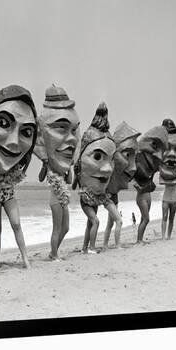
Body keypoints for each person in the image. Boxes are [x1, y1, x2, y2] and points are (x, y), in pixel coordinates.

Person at [0, 85, 38, 269]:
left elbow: (25, 163)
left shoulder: (16, 160)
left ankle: (26, 259)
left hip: (9, 194)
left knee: (17, 225)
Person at [34, 86, 80, 261]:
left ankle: (54, 251)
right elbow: (40, 178)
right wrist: (45, 163)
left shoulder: (64, 163)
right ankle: (54, 254)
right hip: (54, 199)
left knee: (66, 227)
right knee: (56, 228)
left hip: (64, 196)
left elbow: (68, 180)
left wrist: (70, 167)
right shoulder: (50, 161)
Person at [73, 103, 116, 253]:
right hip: (85, 196)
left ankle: (85, 247)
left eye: (112, 159)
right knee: (95, 221)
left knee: (90, 223)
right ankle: (91, 248)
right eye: (97, 156)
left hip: (96, 196)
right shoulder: (80, 163)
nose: (108, 168)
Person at [102, 122, 140, 249]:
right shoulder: (110, 163)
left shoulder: (120, 169)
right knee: (119, 221)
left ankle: (105, 245)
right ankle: (117, 245)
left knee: (110, 223)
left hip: (114, 196)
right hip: (108, 197)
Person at [132, 126, 168, 243]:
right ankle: (138, 240)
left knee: (144, 218)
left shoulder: (151, 169)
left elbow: (158, 167)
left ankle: (140, 239)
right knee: (146, 219)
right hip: (141, 197)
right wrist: (137, 185)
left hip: (148, 196)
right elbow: (131, 177)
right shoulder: (137, 166)